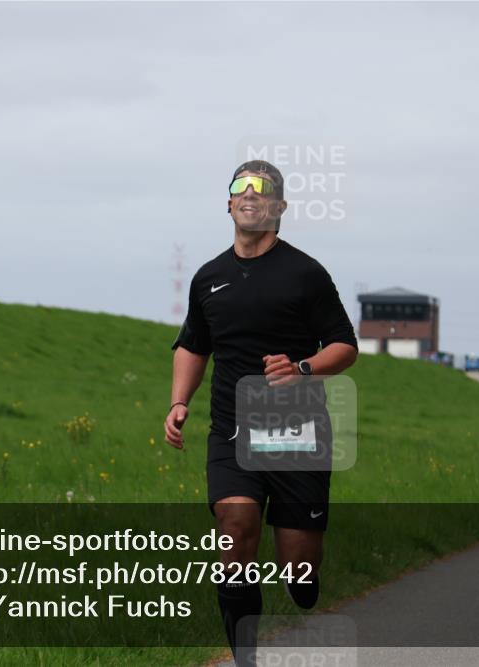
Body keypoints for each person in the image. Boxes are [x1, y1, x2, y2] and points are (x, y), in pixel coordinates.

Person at [165, 160, 358, 665]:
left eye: (262, 188)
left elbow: (345, 346)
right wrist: (179, 401)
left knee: (300, 575)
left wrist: (303, 369)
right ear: (228, 203)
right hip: (233, 429)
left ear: (279, 207)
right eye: (240, 187)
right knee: (235, 527)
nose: (250, 194)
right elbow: (192, 345)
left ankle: (302, 583)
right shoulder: (209, 279)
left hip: (297, 429)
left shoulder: (306, 274)